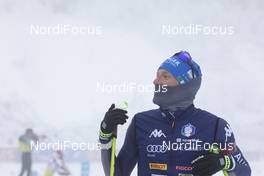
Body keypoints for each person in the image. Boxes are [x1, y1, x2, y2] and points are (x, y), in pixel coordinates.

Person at [99, 51, 251, 176]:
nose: (156, 81)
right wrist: (106, 133)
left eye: (165, 76)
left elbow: (245, 172)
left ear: (186, 84)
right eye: (157, 75)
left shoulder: (215, 126)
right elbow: (117, 174)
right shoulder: (141, 122)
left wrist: (224, 161)